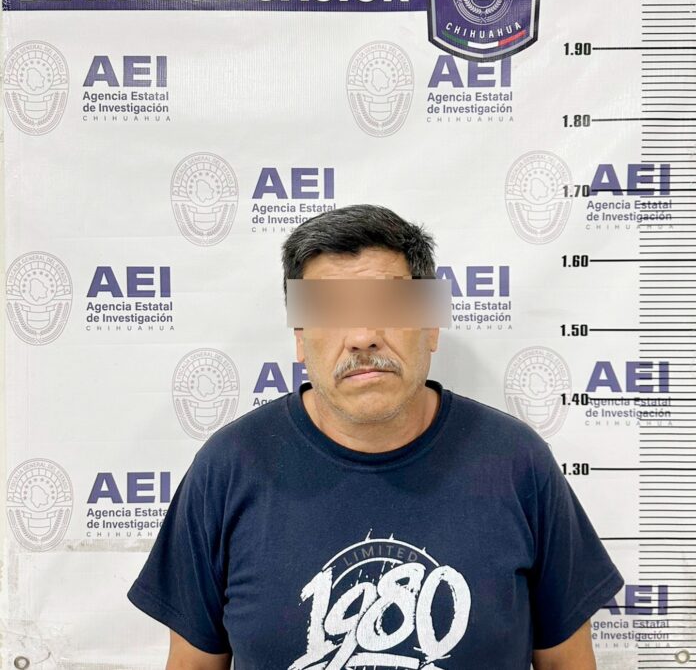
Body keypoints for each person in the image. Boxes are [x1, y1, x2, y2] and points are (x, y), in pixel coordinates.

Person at [128, 204, 624, 670]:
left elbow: (567, 661)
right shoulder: (228, 469)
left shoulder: (517, 463)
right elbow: (193, 663)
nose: (362, 335)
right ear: (300, 338)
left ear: (431, 326)